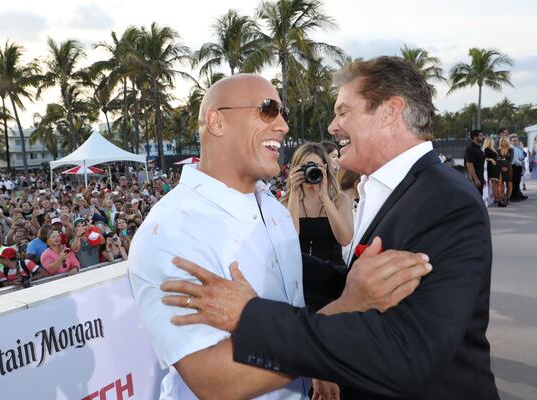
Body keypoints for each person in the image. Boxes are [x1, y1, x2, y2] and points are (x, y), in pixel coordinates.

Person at [162, 57, 498, 400]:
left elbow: (411, 352)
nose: (333, 126)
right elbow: (362, 284)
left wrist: (251, 316)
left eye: (343, 111)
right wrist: (274, 258)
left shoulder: (444, 200)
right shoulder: (394, 190)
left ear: (390, 111)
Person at [129, 73, 431, 400]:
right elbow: (212, 379)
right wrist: (349, 306)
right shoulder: (171, 232)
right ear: (216, 121)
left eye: (283, 112)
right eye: (268, 110)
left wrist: (317, 367)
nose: (284, 126)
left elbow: (290, 316)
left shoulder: (273, 209)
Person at [283, 142, 353, 310]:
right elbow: (290, 239)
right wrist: (293, 193)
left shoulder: (339, 200)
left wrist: (324, 197)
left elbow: (345, 239)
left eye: (315, 166)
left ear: (325, 169)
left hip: (333, 279)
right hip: (300, 280)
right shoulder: (285, 203)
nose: (309, 171)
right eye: (304, 167)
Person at [464, 129, 485, 195]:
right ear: (475, 137)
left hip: (479, 176)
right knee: (476, 197)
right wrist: (475, 179)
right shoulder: (470, 148)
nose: (483, 137)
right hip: (474, 179)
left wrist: (482, 178)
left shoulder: (478, 147)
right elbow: (469, 164)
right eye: (481, 136)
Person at [482, 136, 501, 206]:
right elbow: (484, 158)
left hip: (496, 168)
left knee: (496, 183)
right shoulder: (486, 149)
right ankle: (496, 198)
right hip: (492, 169)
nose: (492, 142)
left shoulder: (492, 149)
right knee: (494, 184)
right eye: (491, 141)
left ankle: (496, 198)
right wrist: (491, 159)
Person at [509, 134, 528, 201]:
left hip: (519, 167)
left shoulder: (518, 147)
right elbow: (514, 159)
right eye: (513, 141)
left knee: (517, 182)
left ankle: (517, 195)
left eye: (516, 140)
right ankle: (513, 197)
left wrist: (522, 148)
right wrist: (520, 162)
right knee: (514, 182)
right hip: (513, 166)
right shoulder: (511, 148)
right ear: (511, 141)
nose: (515, 142)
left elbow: (522, 157)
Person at [498, 137, 514, 206]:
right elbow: (497, 159)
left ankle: (507, 199)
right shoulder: (498, 150)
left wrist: (506, 167)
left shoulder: (511, 149)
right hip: (500, 169)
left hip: (509, 168)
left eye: (504, 141)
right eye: (502, 141)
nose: (503, 142)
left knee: (509, 185)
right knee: (500, 184)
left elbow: (511, 160)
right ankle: (502, 198)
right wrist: (501, 167)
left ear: (507, 142)